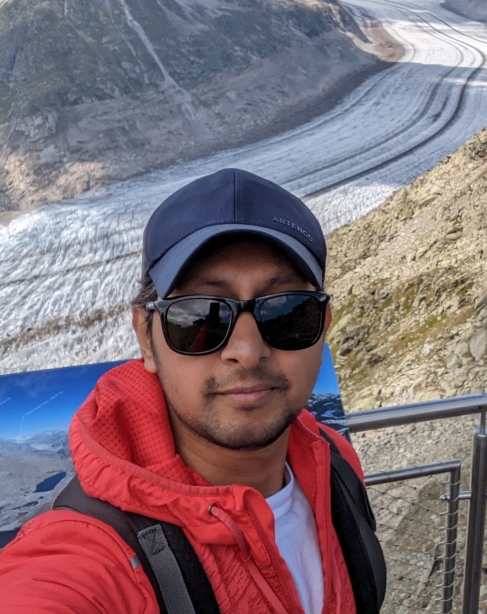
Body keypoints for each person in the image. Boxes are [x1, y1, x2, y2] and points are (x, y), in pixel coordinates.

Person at [0, 167, 382, 614]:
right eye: (200, 318)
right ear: (146, 337)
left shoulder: (333, 460)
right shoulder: (94, 552)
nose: (247, 350)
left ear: (323, 328)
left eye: (287, 312)